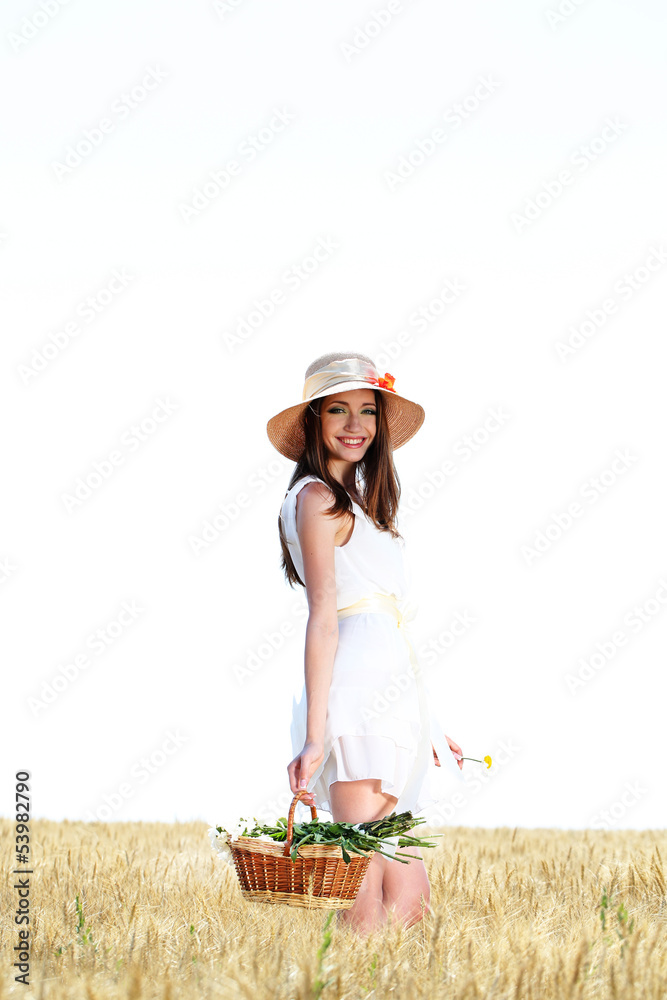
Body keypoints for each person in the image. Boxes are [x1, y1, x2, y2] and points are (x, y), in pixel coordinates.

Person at [266, 351, 464, 936]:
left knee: (406, 882)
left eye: (367, 411)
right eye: (338, 410)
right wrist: (314, 736)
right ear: (313, 422)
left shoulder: (356, 500)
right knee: (366, 873)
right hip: (355, 695)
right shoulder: (315, 498)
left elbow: (387, 623)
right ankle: (359, 982)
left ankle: (400, 984)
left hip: (392, 691)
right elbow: (324, 614)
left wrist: (426, 719)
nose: (356, 424)